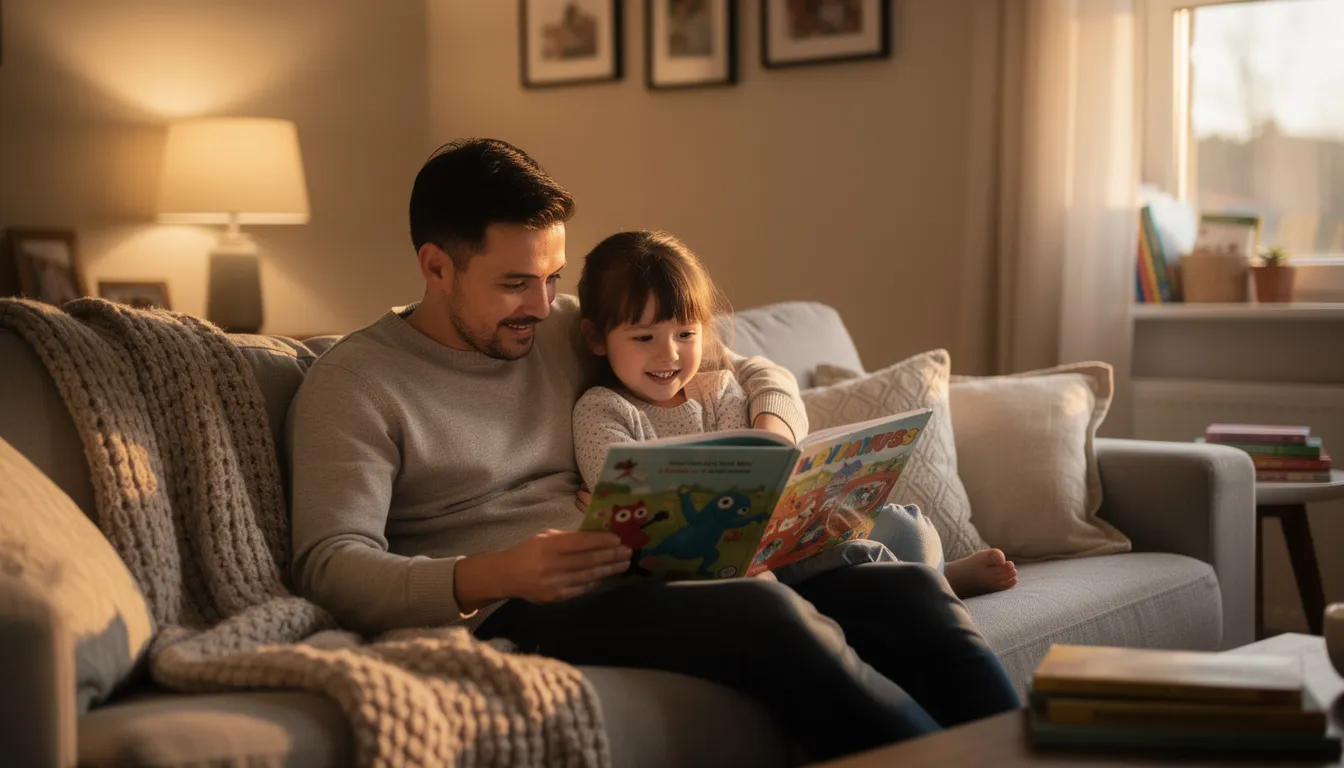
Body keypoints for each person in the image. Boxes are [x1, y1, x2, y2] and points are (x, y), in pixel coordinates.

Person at [287, 138, 1019, 762]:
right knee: (766, 619)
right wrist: (499, 571)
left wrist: (773, 437)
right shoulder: (355, 383)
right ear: (436, 266)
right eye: (514, 284)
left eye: (551, 278)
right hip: (523, 604)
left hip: (654, 559)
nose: (542, 307)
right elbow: (329, 565)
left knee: (902, 588)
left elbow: (732, 366)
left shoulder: (561, 330)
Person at [569, 229, 1018, 596]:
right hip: (710, 569)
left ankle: (933, 577)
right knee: (865, 558)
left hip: (778, 541)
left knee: (906, 523)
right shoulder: (603, 410)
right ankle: (936, 584)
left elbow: (755, 470)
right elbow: (632, 507)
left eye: (686, 334)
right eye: (644, 338)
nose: (669, 354)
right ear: (596, 338)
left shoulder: (720, 388)